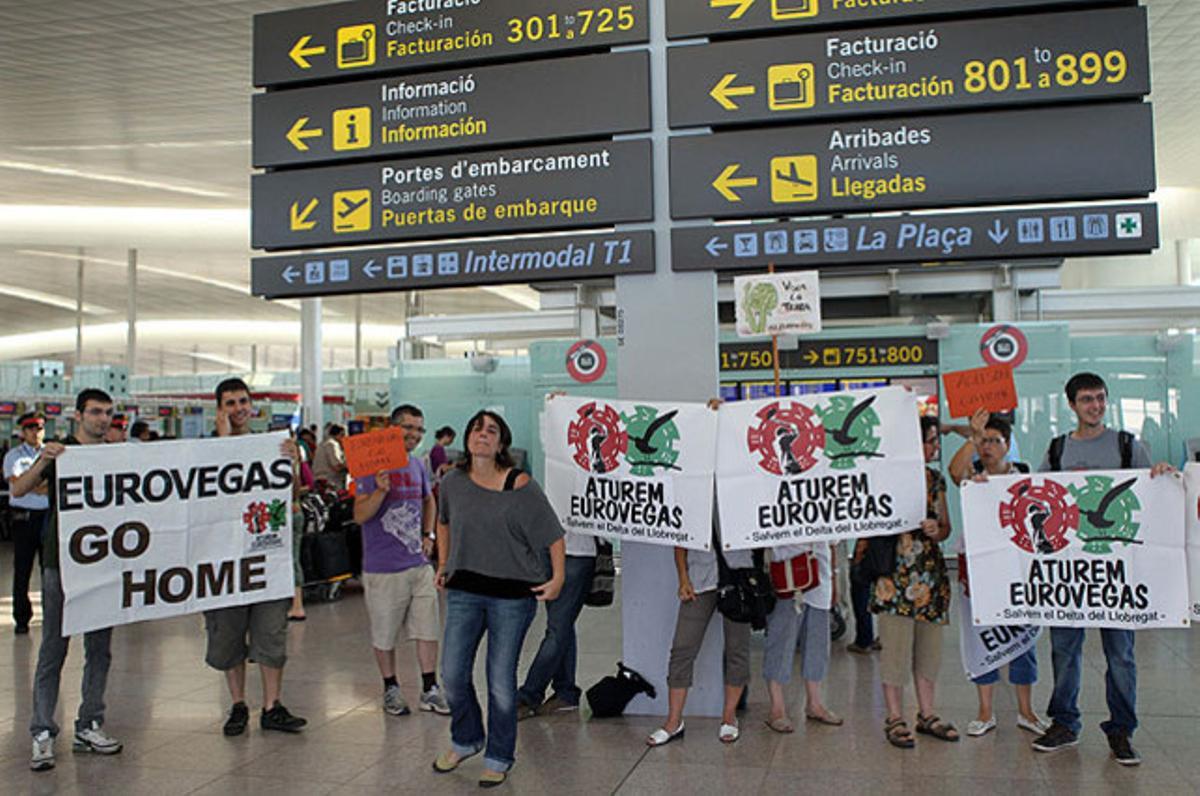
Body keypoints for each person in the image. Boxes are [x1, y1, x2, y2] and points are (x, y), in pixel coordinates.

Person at [1031, 372, 1174, 765]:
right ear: (1072, 405)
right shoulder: (1058, 450)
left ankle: (1121, 730)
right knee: (1064, 649)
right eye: (1086, 400)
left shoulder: (1128, 445)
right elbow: (1037, 496)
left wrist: (1162, 475)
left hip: (1117, 572)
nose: (1094, 406)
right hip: (1072, 573)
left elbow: (1152, 495)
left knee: (1121, 654)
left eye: (1100, 398)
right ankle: (1064, 723)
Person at [432, 410, 565, 788]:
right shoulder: (453, 482)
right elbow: (443, 521)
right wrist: (444, 562)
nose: (483, 435)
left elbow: (553, 535)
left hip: (511, 596)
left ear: (501, 443)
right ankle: (467, 738)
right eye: (476, 428)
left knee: (500, 682)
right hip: (464, 591)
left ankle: (499, 754)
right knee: (453, 676)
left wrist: (556, 579)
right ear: (467, 437)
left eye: (491, 431)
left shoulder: (519, 484)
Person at [11, 390, 122, 771]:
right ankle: (42, 730)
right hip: (62, 563)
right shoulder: (62, 454)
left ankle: (90, 722)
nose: (102, 419)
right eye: (95, 412)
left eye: (108, 413)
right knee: (53, 650)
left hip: (104, 563)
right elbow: (18, 489)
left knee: (99, 649)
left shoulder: (115, 455)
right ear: (78, 416)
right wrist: (44, 458)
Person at [204, 378, 306, 737]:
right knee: (229, 635)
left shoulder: (272, 445)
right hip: (225, 561)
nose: (238, 409)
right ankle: (238, 704)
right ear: (219, 409)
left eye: (242, 401)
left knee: (270, 633)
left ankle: (272, 705)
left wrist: (291, 465)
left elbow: (291, 494)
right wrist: (223, 441)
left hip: (265, 556)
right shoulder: (205, 451)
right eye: (229, 403)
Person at [948, 409, 1047, 738]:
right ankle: (985, 711)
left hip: (1016, 566)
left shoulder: (1023, 474)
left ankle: (1026, 711)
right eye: (983, 441)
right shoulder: (972, 473)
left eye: (994, 441)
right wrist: (972, 437)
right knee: (983, 635)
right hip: (978, 564)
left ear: (1007, 444)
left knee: (1022, 637)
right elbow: (953, 471)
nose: (988, 446)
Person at [353, 404, 450, 717]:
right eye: (408, 427)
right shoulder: (371, 467)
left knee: (428, 627)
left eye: (419, 429)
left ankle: (430, 688)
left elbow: (428, 499)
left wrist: (429, 535)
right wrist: (380, 491)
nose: (414, 434)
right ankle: (391, 687)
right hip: (383, 567)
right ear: (392, 429)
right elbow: (359, 515)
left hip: (418, 562)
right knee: (384, 633)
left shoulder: (416, 465)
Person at [873, 415, 958, 748]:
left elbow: (947, 525)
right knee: (894, 651)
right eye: (930, 440)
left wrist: (940, 530)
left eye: (936, 440)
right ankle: (894, 716)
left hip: (930, 580)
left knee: (929, 652)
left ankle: (926, 713)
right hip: (893, 580)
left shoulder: (935, 480)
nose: (935, 446)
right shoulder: (883, 479)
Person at [647, 507, 752, 748]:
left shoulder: (742, 483)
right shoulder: (694, 487)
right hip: (700, 577)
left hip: (739, 576)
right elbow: (681, 536)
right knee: (682, 649)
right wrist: (683, 577)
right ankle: (674, 721)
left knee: (737, 648)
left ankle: (729, 716)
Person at [763, 543, 841, 734]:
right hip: (787, 573)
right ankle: (777, 707)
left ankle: (814, 702)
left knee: (818, 643)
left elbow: (832, 545)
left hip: (820, 578)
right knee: (781, 641)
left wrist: (834, 578)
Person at [5, 412, 49, 635]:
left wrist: (28, 483)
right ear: (23, 431)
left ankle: (50, 615)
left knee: (49, 569)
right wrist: (37, 485)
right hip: (24, 518)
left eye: (40, 427)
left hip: (47, 517)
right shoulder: (13, 456)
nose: (36, 431)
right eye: (31, 427)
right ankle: (21, 618)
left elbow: (54, 486)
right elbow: (16, 485)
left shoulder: (51, 455)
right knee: (22, 569)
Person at [846, 538, 880, 654]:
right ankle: (883, 638)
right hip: (885, 553)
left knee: (861, 598)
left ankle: (864, 641)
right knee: (885, 597)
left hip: (866, 557)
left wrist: (857, 557)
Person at [312, 424, 349, 490]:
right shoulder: (332, 444)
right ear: (340, 434)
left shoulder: (323, 443)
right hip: (329, 481)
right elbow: (336, 466)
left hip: (320, 479)